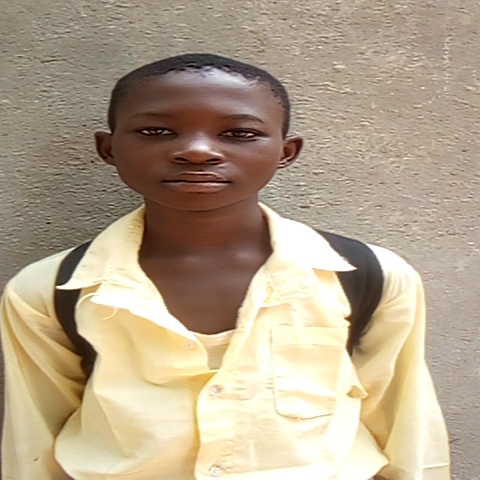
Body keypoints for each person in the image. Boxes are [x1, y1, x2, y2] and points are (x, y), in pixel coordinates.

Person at [0, 53, 450, 480]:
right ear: (108, 148)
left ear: (287, 151)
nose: (197, 151)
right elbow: (32, 441)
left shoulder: (367, 276)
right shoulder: (50, 290)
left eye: (239, 134)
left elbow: (406, 424)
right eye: (156, 131)